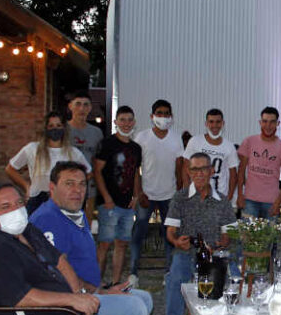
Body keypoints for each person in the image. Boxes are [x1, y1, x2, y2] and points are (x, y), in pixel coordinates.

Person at [0, 181, 136, 315]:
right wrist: (71, 300)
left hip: (63, 314)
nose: (15, 210)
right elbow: (19, 297)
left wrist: (78, 295)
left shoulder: (27, 230)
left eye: (19, 203)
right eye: (5, 206)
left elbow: (60, 261)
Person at [30, 161, 153, 315]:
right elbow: (58, 276)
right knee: (134, 308)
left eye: (82, 184)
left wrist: (104, 289)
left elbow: (83, 265)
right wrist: (97, 292)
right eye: (69, 184)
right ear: (52, 188)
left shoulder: (74, 213)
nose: (77, 190)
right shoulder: (48, 218)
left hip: (89, 291)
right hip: (67, 305)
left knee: (145, 298)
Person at [155, 152, 237, 315]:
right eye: (194, 169)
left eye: (203, 169)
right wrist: (176, 242)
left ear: (212, 171)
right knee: (176, 273)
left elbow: (231, 233)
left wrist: (222, 242)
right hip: (186, 250)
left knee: (234, 274)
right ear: (188, 171)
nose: (199, 173)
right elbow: (170, 231)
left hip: (214, 252)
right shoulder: (180, 197)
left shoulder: (222, 200)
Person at [129, 99, 184, 288]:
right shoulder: (141, 137)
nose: (163, 117)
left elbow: (180, 169)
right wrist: (139, 193)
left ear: (171, 117)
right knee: (138, 234)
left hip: (169, 195)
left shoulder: (176, 139)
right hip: (146, 195)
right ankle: (133, 274)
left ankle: (168, 273)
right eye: (159, 113)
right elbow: (135, 169)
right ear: (152, 116)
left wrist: (180, 194)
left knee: (169, 236)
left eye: (166, 113)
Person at [6, 110, 91, 214]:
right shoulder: (32, 149)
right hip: (37, 199)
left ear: (64, 128)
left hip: (63, 200)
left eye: (59, 125)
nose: (55, 128)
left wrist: (73, 186)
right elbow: (10, 169)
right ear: (46, 129)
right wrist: (26, 186)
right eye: (51, 126)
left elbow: (89, 172)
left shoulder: (73, 152)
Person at [93, 105, 141, 284]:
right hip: (109, 204)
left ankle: (115, 283)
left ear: (134, 122)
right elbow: (97, 171)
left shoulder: (136, 148)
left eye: (129, 120)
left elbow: (136, 172)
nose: (126, 123)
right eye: (122, 120)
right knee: (104, 244)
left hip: (127, 205)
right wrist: (106, 198)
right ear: (116, 122)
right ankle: (96, 284)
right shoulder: (107, 144)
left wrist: (136, 196)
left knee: (121, 244)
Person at [237, 106, 281, 219]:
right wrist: (239, 195)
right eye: (265, 121)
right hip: (249, 201)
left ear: (278, 123)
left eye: (272, 122)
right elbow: (241, 170)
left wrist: (279, 201)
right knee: (247, 236)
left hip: (272, 202)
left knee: (270, 236)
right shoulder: (249, 142)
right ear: (260, 122)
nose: (268, 126)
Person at [182, 108, 239, 203]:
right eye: (211, 122)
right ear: (206, 124)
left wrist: (229, 197)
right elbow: (185, 168)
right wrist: (188, 192)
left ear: (223, 123)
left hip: (219, 197)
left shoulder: (229, 146)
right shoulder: (195, 142)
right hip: (196, 196)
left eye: (218, 122)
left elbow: (233, 175)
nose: (214, 125)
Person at [67, 91, 104, 222]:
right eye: (78, 104)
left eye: (85, 105)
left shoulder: (96, 132)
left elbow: (98, 159)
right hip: (67, 184)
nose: (81, 108)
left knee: (86, 220)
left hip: (89, 183)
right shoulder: (63, 130)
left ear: (90, 108)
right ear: (70, 106)